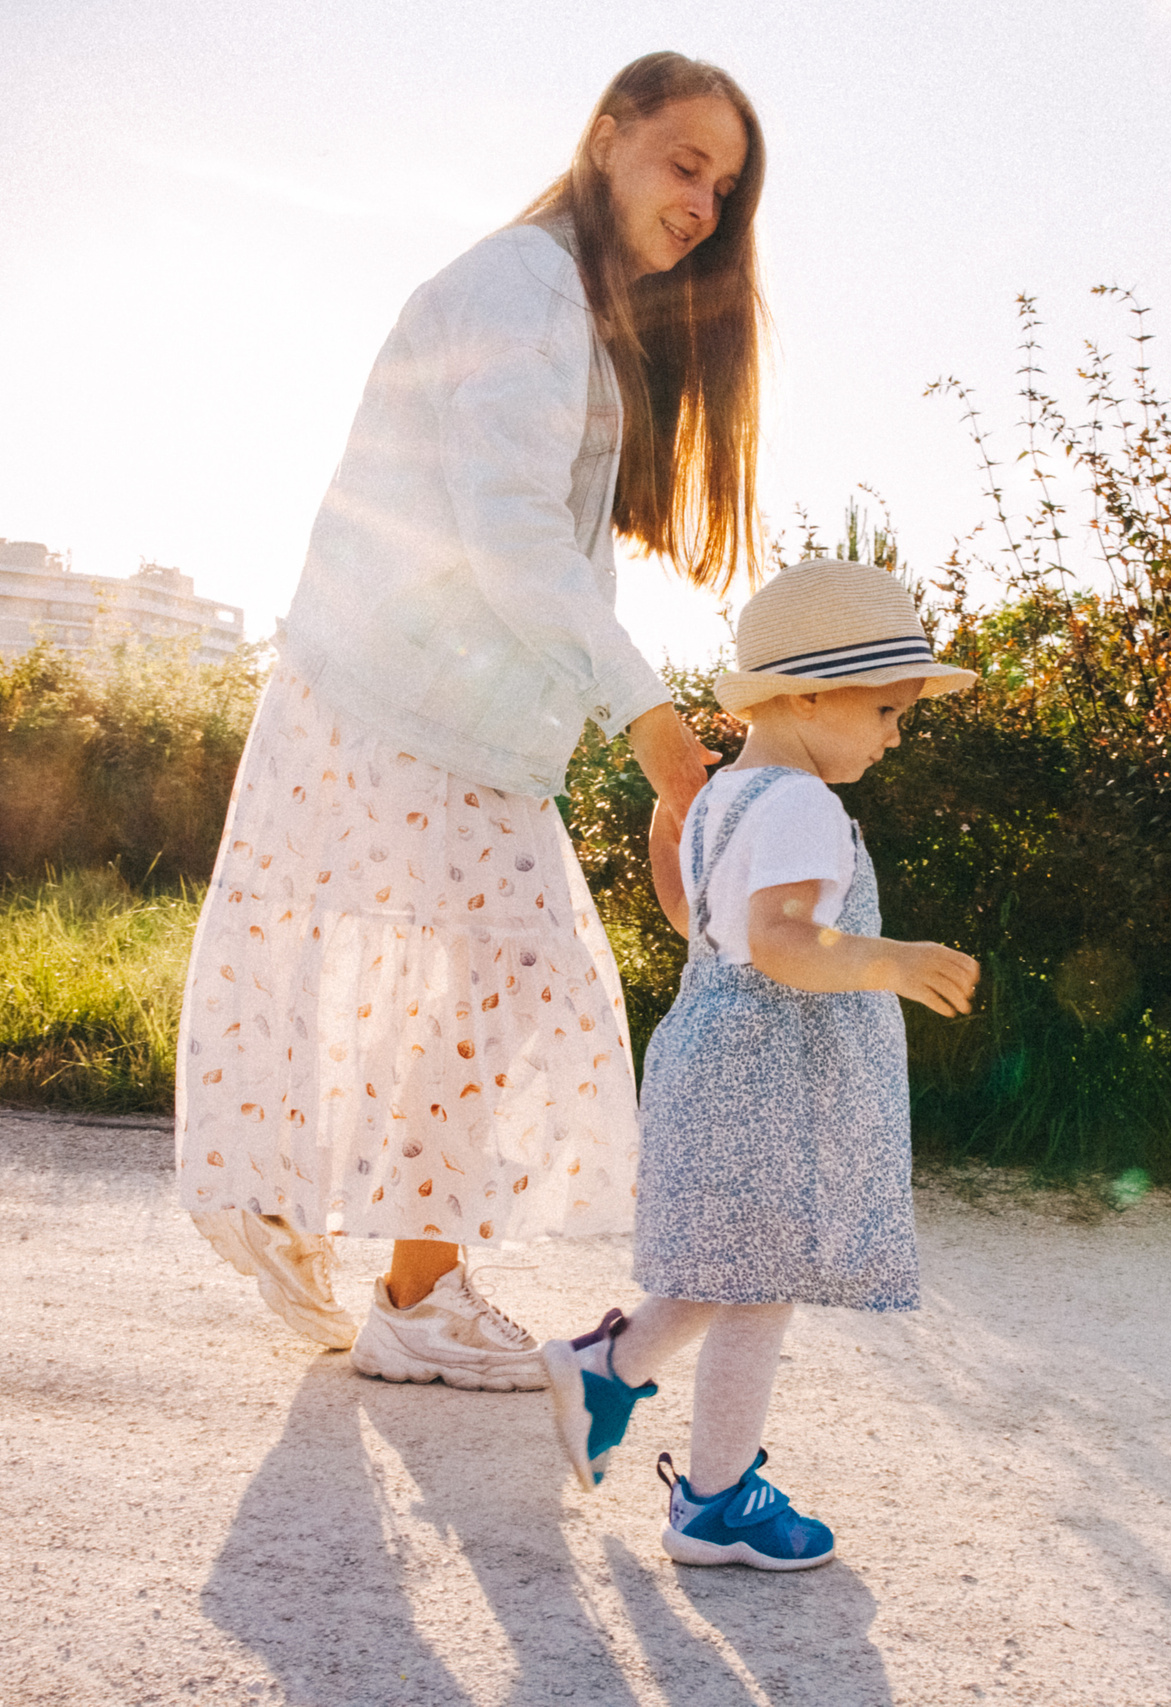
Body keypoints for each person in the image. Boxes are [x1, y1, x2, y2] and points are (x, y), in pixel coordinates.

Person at [176, 52, 766, 1392]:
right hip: (408, 703)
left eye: (723, 188)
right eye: (685, 164)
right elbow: (507, 535)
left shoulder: (562, 299)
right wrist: (649, 723)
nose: (704, 206)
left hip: (418, 702)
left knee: (448, 984)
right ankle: (413, 1289)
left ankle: (335, 1229)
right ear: (607, 139)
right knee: (494, 979)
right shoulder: (522, 285)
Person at [542, 557, 981, 1569]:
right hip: (771, 1076)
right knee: (761, 1279)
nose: (894, 733)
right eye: (885, 709)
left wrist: (673, 830)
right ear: (814, 691)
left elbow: (701, 926)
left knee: (735, 1267)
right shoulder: (802, 807)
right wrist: (890, 960)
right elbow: (781, 942)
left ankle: (605, 1372)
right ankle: (713, 1502)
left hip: (715, 1052)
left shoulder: (728, 796)